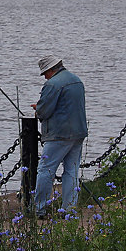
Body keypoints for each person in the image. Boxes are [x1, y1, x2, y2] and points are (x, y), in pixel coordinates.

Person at [32, 54, 87, 217]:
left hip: (59, 135)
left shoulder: (53, 84)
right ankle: (69, 209)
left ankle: (39, 209)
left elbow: (44, 111)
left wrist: (37, 108)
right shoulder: (77, 80)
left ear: (50, 70)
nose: (44, 77)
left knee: (45, 170)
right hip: (78, 133)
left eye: (44, 74)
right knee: (71, 171)